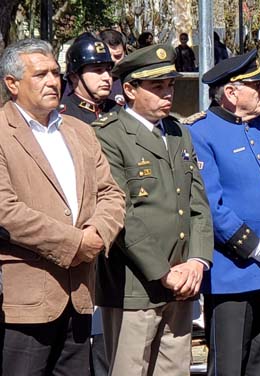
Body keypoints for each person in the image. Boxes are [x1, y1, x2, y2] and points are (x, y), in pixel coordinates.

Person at [0, 38, 125, 375]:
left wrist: (98, 232)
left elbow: (111, 194)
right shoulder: (2, 133)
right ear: (12, 83)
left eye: (55, 72)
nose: (52, 81)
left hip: (80, 295)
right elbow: (5, 210)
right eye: (40, 74)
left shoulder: (80, 131)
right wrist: (75, 244)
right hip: (25, 301)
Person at [91, 44, 214, 375]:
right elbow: (122, 213)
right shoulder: (109, 135)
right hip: (135, 284)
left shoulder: (177, 131)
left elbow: (196, 202)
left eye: (170, 85)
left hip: (183, 281)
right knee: (131, 368)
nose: (167, 94)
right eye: (156, 87)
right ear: (129, 90)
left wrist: (197, 261)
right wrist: (163, 271)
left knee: (175, 369)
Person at [186, 49, 260, 375]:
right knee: (229, 367)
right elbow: (211, 203)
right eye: (257, 85)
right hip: (232, 274)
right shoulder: (202, 132)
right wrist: (256, 247)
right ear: (231, 92)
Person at [61, 34, 118, 124]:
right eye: (98, 70)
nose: (107, 77)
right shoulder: (61, 117)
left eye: (108, 69)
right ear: (74, 77)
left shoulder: (119, 110)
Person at [99, 29, 127, 106]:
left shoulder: (133, 79)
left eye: (117, 56)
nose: (113, 60)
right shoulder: (92, 80)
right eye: (108, 56)